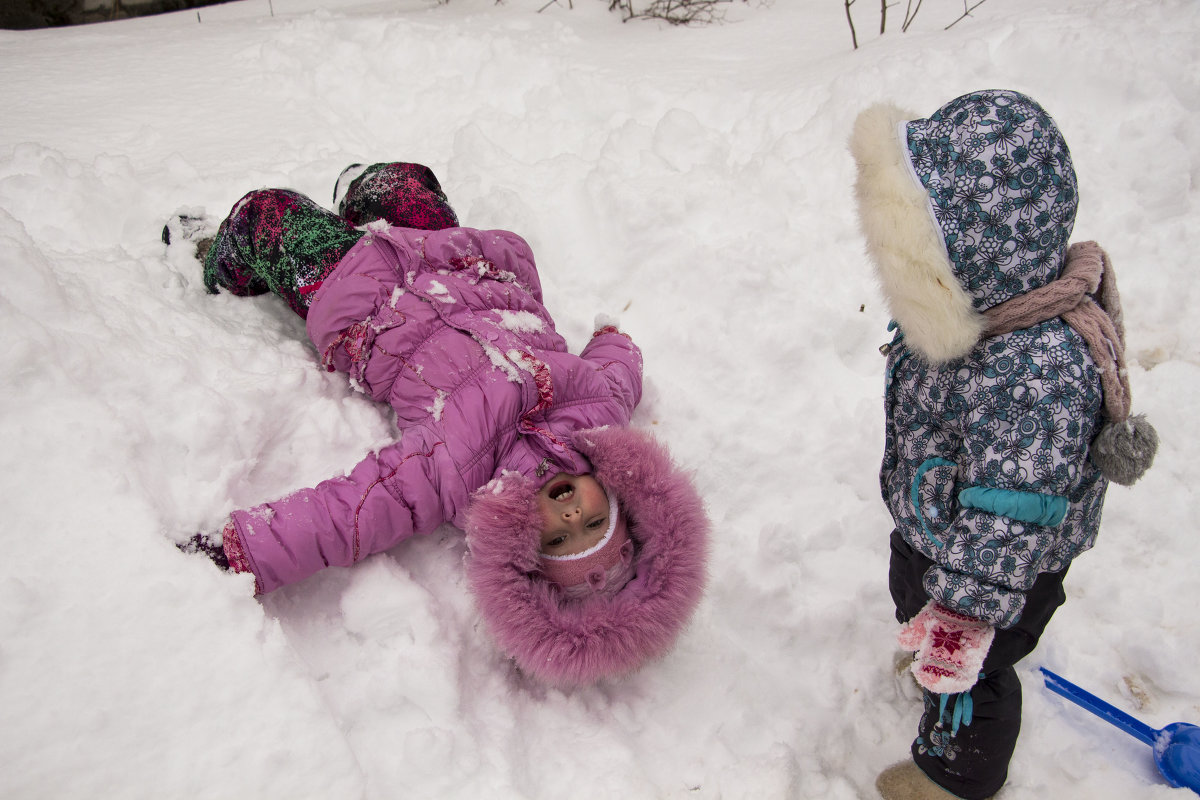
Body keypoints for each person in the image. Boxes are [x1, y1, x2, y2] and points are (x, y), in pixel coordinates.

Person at [167, 162, 710, 688]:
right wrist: (614, 337)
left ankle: (215, 254)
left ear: (525, 542)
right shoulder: (600, 412)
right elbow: (620, 371)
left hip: (363, 298)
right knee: (402, 181)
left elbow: (348, 513)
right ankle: (361, 195)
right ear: (618, 501)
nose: (571, 514)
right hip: (466, 265)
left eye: (561, 537)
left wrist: (243, 552)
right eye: (594, 525)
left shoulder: (454, 474)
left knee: (270, 213)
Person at [849, 90, 1157, 800]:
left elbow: (1013, 512)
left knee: (977, 676)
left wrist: (964, 617)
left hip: (998, 574)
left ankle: (956, 773)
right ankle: (929, 631)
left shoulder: (1035, 373)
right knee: (913, 591)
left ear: (971, 253)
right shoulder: (984, 316)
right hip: (938, 535)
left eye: (914, 259)